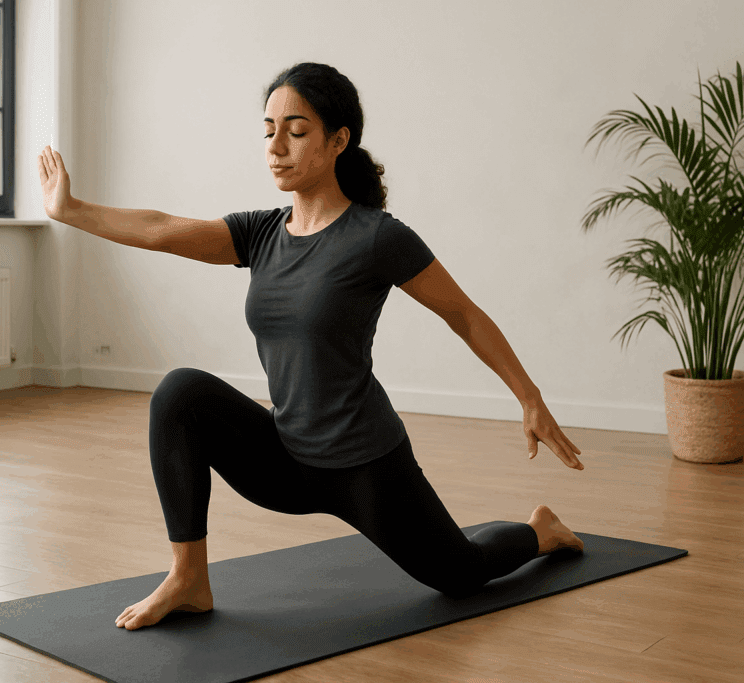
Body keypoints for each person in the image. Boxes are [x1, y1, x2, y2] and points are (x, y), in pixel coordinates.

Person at [38, 62, 585, 632]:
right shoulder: (261, 232)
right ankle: (189, 578)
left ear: (338, 140)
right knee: (181, 394)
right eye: (268, 129)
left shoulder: (377, 237)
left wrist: (530, 398)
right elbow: (160, 227)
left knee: (460, 574)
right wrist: (69, 210)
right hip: (286, 458)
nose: (276, 146)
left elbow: (464, 315)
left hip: (365, 466)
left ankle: (539, 530)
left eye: (295, 131)